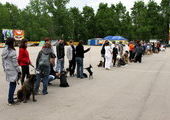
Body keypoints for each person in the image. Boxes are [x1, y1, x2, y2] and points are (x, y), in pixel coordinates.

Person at [1, 38, 21, 105]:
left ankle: (10, 99)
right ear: (12, 43)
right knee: (13, 85)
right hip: (13, 70)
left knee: (11, 84)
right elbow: (15, 63)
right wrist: (19, 71)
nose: (15, 43)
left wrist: (4, 68)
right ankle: (10, 100)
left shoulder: (4, 50)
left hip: (7, 69)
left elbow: (3, 61)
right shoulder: (12, 51)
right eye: (14, 42)